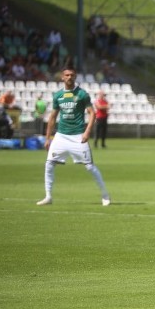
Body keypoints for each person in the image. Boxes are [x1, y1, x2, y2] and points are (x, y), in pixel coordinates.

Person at [37, 66, 111, 206]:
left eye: (72, 75)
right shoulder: (58, 95)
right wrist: (48, 138)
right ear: (62, 77)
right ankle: (48, 196)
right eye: (67, 75)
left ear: (75, 77)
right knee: (49, 164)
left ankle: (105, 195)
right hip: (61, 136)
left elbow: (92, 113)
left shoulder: (82, 94)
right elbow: (52, 117)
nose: (69, 77)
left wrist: (87, 131)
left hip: (78, 136)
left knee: (89, 167)